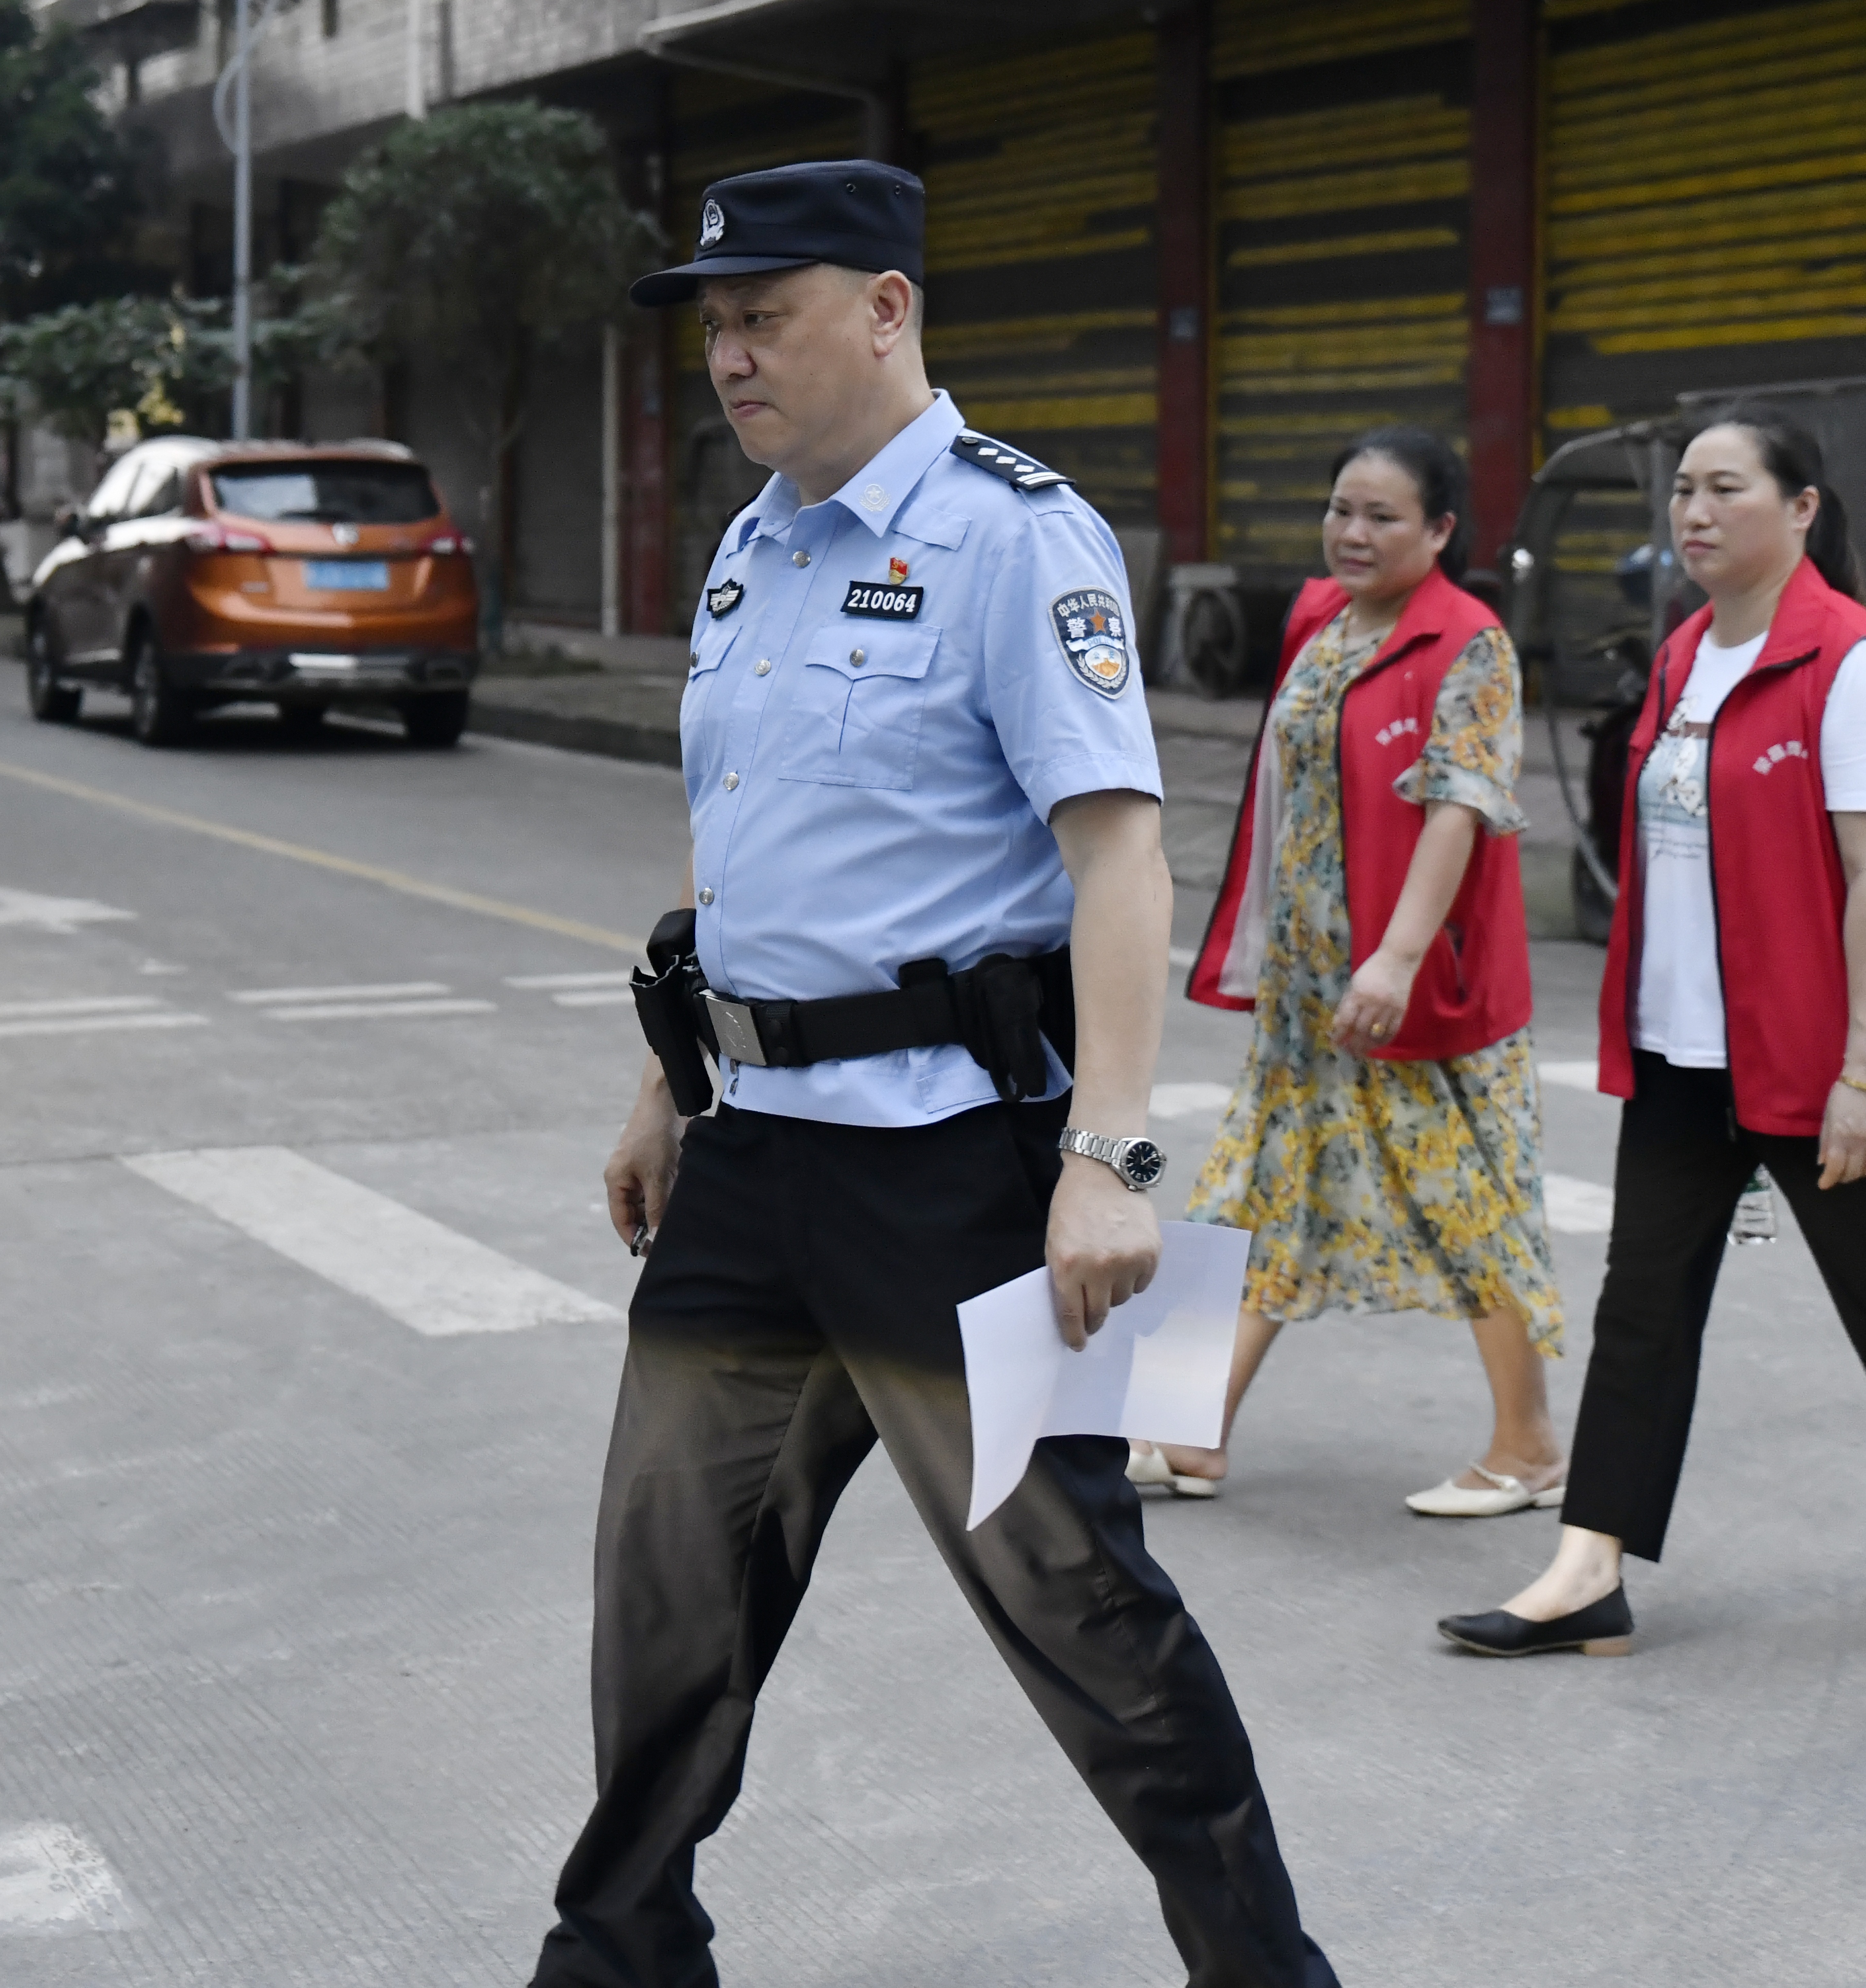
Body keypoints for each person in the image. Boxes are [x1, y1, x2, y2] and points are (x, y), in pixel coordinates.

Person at [537, 160, 1339, 1988]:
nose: (727, 354)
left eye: (765, 314)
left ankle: (1264, 1969)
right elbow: (733, 834)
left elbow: (1118, 856)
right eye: (715, 325)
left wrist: (1108, 1153)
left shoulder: (1013, 536)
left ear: (886, 309)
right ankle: (618, 1951)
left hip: (965, 1169)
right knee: (665, 1594)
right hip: (756, 1159)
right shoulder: (754, 536)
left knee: (1088, 1611)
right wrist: (671, 1075)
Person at [1436, 403, 1866, 1663]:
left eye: (1726, 489)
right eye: (1683, 493)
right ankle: (1588, 1562)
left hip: (1815, 1065)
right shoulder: (1686, 653)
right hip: (1680, 1054)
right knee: (1642, 1305)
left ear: (1802, 507)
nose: (1694, 514)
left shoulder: (1852, 664)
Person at [1162, 427, 1564, 1515]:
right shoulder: (1321, 625)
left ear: (1439, 531)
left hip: (1411, 993)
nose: (1352, 533)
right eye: (1341, 509)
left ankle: (1528, 1448)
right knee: (1252, 1195)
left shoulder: (1469, 645)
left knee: (1465, 1205)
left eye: (1383, 517)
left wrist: (1392, 958)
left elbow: (1460, 807)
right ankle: (1189, 1429)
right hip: (1309, 993)